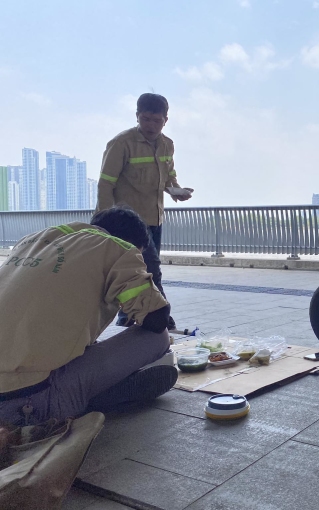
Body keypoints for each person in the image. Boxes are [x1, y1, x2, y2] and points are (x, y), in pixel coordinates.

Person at [0, 206, 178, 425]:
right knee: (158, 337)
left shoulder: (34, 241)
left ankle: (92, 388)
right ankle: (94, 397)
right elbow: (157, 319)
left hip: (14, 387)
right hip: (29, 403)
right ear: (132, 244)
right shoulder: (117, 248)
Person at [96, 92, 193, 330]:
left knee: (144, 269)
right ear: (137, 116)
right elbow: (105, 183)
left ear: (165, 120)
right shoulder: (122, 143)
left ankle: (128, 316)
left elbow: (169, 176)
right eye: (145, 119)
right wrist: (103, 223)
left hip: (154, 218)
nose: (150, 125)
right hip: (128, 223)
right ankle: (159, 315)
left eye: (156, 120)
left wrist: (176, 191)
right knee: (149, 268)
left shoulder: (167, 144)